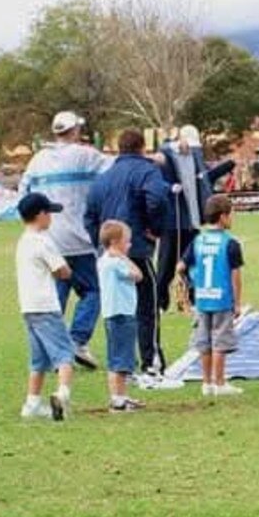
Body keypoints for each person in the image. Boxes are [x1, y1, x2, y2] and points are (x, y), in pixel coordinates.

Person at [19, 111, 110, 370]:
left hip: (48, 238)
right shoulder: (86, 154)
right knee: (94, 290)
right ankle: (77, 340)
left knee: (55, 296)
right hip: (80, 238)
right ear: (75, 131)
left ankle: (50, 352)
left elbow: (23, 192)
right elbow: (116, 169)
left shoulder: (38, 159)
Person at [84, 129, 170, 381]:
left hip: (109, 254)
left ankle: (122, 366)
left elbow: (89, 215)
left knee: (116, 310)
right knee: (147, 307)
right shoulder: (147, 171)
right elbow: (157, 198)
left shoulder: (103, 178)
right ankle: (150, 361)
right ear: (142, 147)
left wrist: (101, 245)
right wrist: (155, 229)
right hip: (136, 249)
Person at [155, 125, 234, 313]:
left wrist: (228, 165)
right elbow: (158, 177)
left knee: (192, 264)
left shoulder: (196, 156)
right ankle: (160, 302)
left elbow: (206, 178)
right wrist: (169, 187)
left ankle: (191, 300)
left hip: (193, 220)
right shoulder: (167, 155)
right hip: (172, 221)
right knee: (166, 265)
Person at [14, 193, 75, 421]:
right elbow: (62, 270)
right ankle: (63, 394)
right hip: (46, 305)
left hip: (28, 306)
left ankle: (32, 403)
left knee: (38, 359)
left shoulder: (23, 241)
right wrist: (66, 271)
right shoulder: (43, 240)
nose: (51, 218)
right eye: (48, 213)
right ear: (40, 214)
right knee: (65, 354)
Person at [178, 195, 245, 397]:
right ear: (223, 216)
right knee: (219, 342)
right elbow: (235, 276)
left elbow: (181, 266)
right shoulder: (230, 243)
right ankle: (220, 382)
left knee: (204, 343)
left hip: (202, 299)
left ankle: (206, 383)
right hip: (222, 299)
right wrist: (237, 302)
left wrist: (190, 285)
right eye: (231, 214)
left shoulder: (198, 240)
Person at [97, 220, 145, 413]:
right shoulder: (116, 263)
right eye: (127, 241)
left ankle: (122, 396)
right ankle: (117, 399)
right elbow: (138, 275)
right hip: (121, 314)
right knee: (121, 359)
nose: (130, 245)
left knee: (118, 357)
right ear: (116, 242)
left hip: (112, 313)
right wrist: (124, 258)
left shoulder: (102, 260)